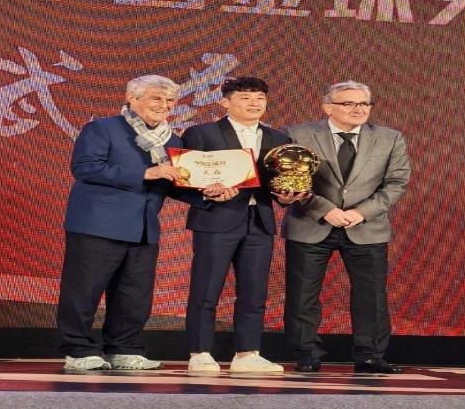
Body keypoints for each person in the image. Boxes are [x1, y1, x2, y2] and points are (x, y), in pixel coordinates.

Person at [57, 75, 222, 370]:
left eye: (170, 100)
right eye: (156, 98)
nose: (164, 105)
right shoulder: (102, 128)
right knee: (83, 291)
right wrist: (145, 173)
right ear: (132, 98)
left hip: (143, 227)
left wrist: (206, 194)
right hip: (97, 224)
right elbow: (86, 168)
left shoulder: (172, 140)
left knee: (134, 294)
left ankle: (124, 348)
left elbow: (171, 184)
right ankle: (78, 350)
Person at [282, 80, 411, 373]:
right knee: (302, 294)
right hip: (310, 223)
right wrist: (325, 210)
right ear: (327, 107)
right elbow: (289, 180)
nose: (358, 109)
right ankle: (306, 354)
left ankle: (370, 356)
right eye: (349, 103)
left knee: (371, 296)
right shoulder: (297, 134)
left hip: (367, 227)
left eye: (364, 104)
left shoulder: (390, 137)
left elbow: (397, 182)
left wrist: (361, 212)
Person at [182, 77, 307, 373]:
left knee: (254, 291)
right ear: (225, 102)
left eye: (260, 98)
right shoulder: (202, 133)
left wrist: (287, 196)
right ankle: (199, 352)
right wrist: (206, 191)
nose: (254, 103)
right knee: (206, 288)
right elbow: (186, 176)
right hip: (216, 218)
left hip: (260, 220)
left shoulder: (279, 138)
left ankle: (248, 353)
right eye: (246, 98)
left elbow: (281, 182)